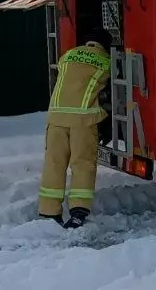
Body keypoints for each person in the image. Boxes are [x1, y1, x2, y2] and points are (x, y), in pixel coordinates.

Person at [39, 27, 112, 229]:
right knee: (82, 164)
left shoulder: (67, 56)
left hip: (56, 117)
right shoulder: (106, 62)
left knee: (54, 163)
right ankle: (78, 212)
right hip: (82, 121)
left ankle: (49, 210)